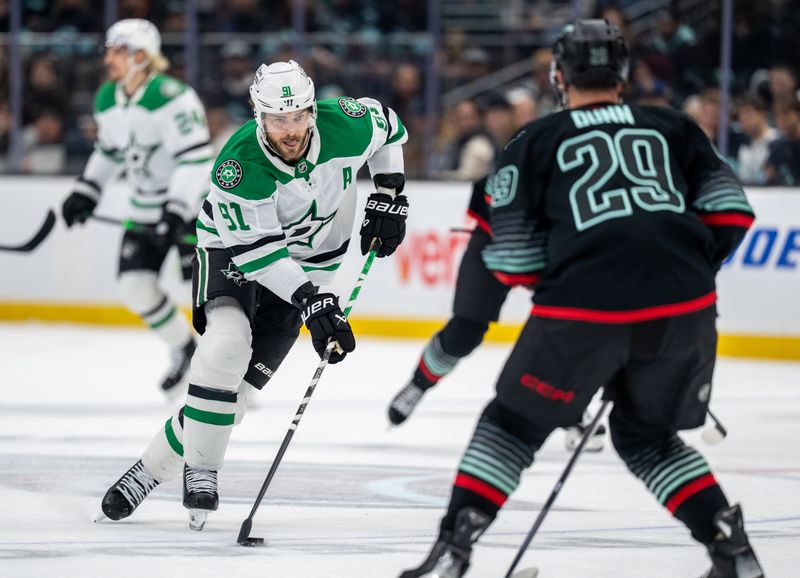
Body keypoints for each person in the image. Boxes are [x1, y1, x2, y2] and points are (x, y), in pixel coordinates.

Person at [399, 20, 763, 578]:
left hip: (582, 309)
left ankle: (455, 549)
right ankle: (730, 548)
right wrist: (681, 269)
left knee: (511, 425)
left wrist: (587, 303)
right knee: (647, 438)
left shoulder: (532, 141)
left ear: (558, 76)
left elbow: (511, 257)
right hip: (686, 306)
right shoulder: (675, 126)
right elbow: (733, 212)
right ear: (623, 74)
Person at [99, 60, 409, 530]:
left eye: (298, 116)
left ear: (312, 109)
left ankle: (147, 471)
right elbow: (261, 256)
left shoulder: (346, 123)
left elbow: (389, 128)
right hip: (232, 250)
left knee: (235, 400)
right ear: (258, 115)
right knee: (225, 346)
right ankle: (202, 470)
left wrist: (390, 191)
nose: (291, 130)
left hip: (311, 265)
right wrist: (313, 301)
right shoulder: (238, 166)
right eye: (278, 120)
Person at [60, 19, 213, 394]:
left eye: (118, 51)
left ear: (141, 56)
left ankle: (225, 371)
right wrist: (87, 190)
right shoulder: (107, 98)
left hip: (192, 210)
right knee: (135, 287)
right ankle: (185, 349)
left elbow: (196, 159)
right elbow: (110, 151)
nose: (108, 59)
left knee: (209, 299)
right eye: (108, 50)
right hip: (144, 209)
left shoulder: (172, 97)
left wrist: (177, 210)